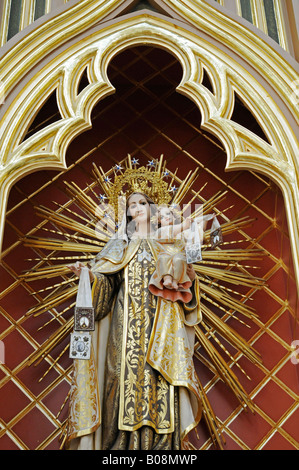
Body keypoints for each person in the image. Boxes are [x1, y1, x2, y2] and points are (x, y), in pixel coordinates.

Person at [66, 192, 202, 450]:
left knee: (158, 379)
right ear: (127, 212)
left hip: (160, 326)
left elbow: (186, 283)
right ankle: (117, 445)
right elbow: (106, 282)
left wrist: (187, 278)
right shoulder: (120, 245)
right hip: (123, 324)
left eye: (142, 203)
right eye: (131, 204)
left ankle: (162, 447)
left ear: (153, 210)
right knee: (117, 378)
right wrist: (89, 277)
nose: (137, 208)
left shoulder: (168, 243)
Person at [149, 205, 213, 303]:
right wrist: (184, 225)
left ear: (174, 216)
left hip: (179, 264)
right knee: (164, 259)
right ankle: (167, 278)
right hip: (164, 266)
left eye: (168, 214)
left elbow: (197, 234)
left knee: (179, 260)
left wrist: (205, 220)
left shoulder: (182, 233)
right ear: (158, 221)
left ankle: (175, 282)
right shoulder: (161, 232)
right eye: (162, 217)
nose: (165, 217)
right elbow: (171, 232)